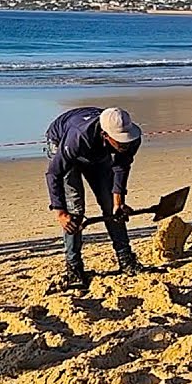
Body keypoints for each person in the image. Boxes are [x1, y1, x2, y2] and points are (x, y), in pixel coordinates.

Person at [45, 107, 145, 291]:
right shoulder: (78, 137)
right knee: (75, 210)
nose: (125, 144)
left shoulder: (132, 139)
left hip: (96, 151)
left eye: (126, 139)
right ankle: (74, 268)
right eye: (120, 140)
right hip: (62, 142)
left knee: (111, 207)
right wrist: (60, 212)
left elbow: (121, 167)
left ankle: (126, 259)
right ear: (105, 134)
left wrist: (118, 202)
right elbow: (54, 174)